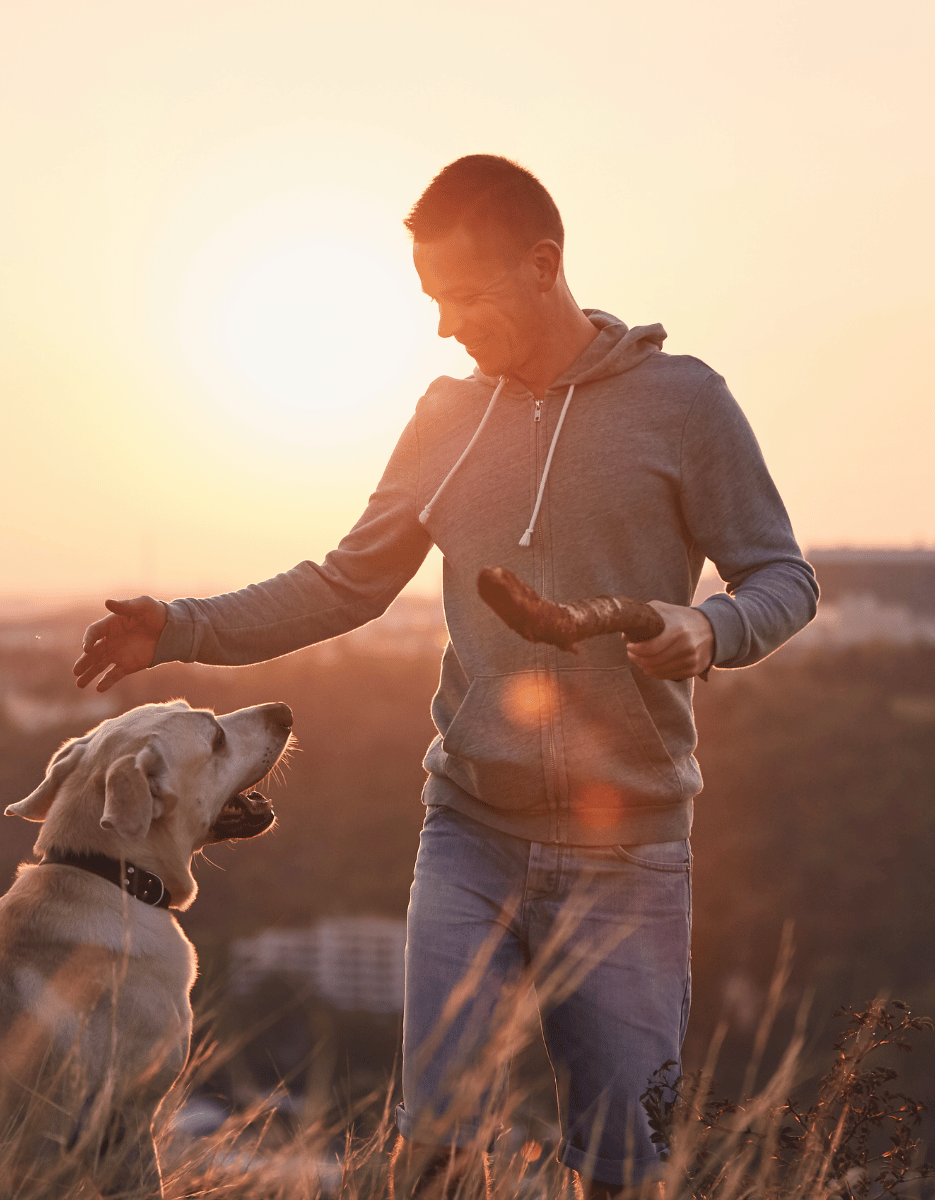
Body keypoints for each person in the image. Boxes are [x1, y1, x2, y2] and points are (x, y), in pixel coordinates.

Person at [73, 155, 818, 1198]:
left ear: (543, 263)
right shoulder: (443, 418)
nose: (443, 326)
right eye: (430, 299)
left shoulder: (683, 403)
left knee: (625, 1168)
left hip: (629, 852)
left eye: (462, 296)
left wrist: (715, 627)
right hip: (469, 831)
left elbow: (784, 576)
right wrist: (181, 626)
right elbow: (344, 585)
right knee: (436, 1153)